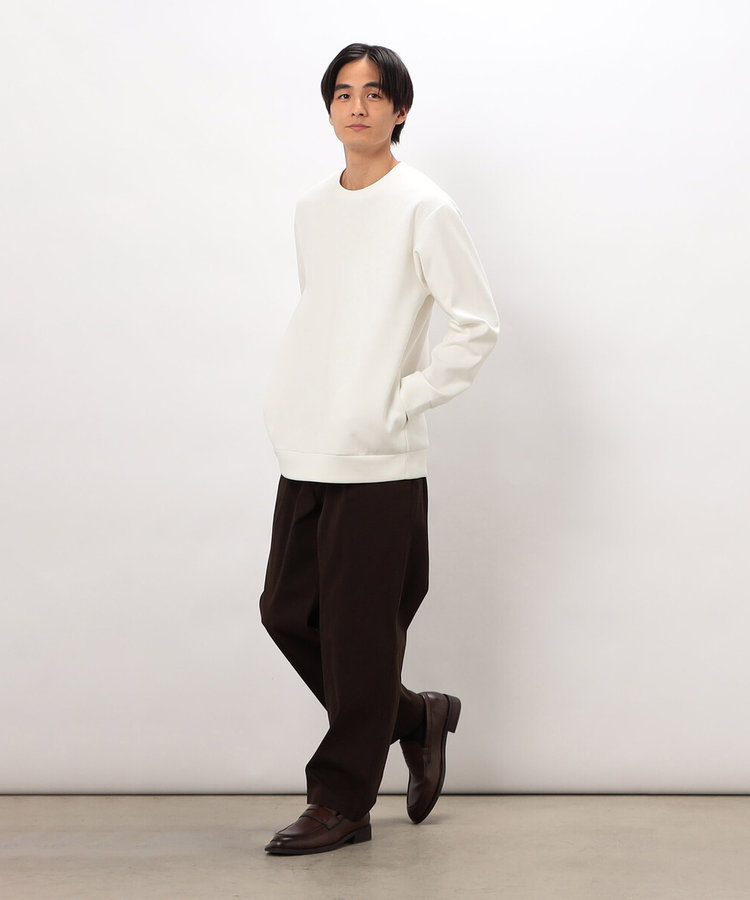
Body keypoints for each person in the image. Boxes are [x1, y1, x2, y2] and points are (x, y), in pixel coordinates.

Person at [259, 42, 499, 855]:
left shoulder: (423, 206)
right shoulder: (310, 208)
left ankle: (342, 801)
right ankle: (414, 716)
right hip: (308, 445)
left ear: (400, 110)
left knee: (361, 634)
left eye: (373, 94)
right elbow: (327, 316)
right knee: (287, 613)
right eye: (342, 93)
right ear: (329, 108)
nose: (356, 106)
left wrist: (403, 397)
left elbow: (477, 324)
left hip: (380, 458)